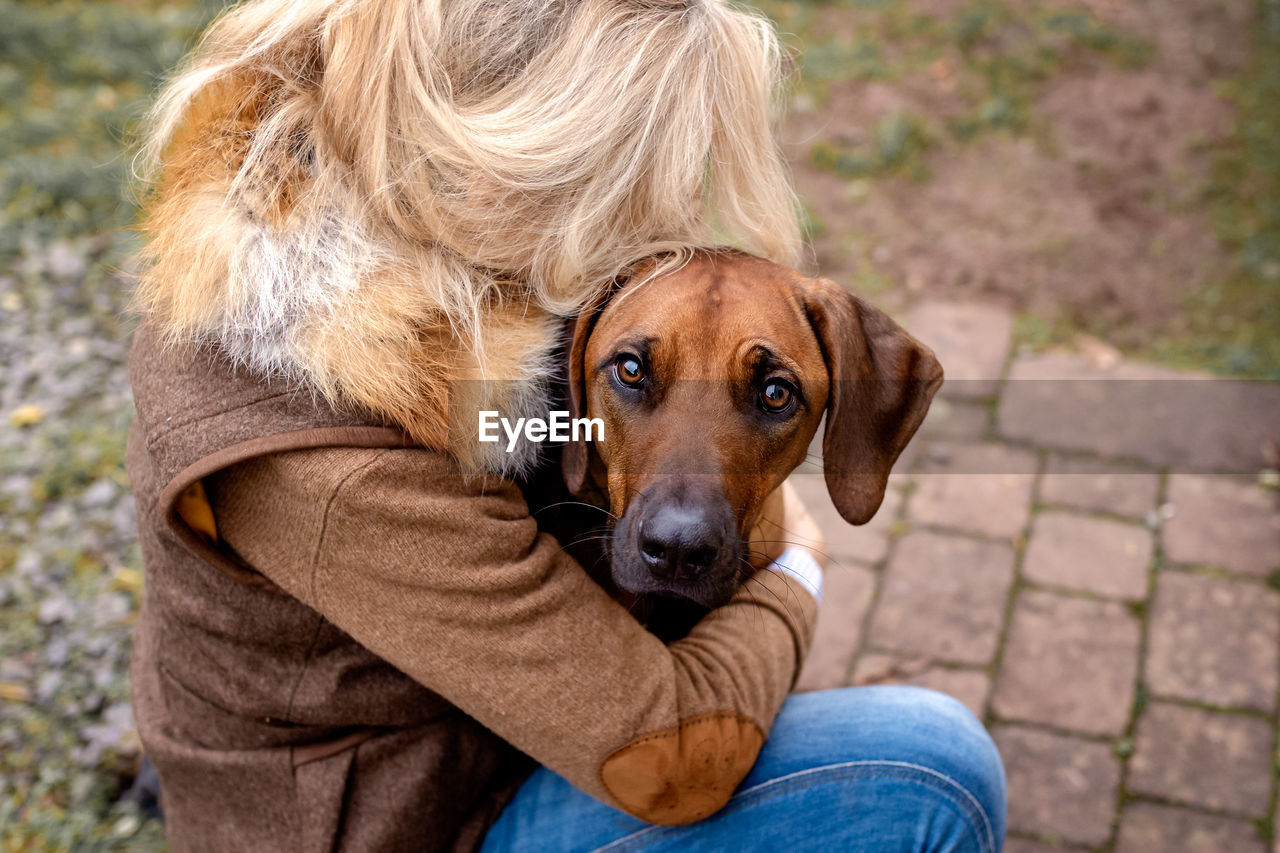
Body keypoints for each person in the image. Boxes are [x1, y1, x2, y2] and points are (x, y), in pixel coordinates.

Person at [126, 0, 1006, 849]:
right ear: (506, 149)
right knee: (934, 769)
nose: (659, 218)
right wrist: (797, 564)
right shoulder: (330, 447)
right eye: (629, 170)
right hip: (415, 820)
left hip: (475, 730)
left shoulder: (450, 274)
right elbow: (675, 759)